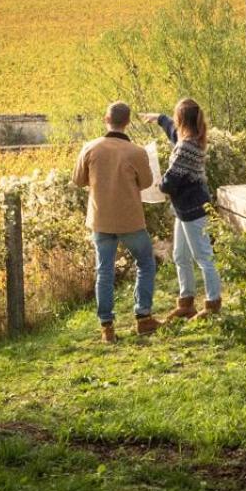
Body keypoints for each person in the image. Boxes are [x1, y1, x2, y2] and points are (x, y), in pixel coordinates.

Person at [73, 101, 157, 343]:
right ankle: (143, 317)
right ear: (127, 122)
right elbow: (146, 183)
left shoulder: (90, 148)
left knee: (104, 272)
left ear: (105, 119)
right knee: (146, 263)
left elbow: (78, 180)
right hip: (131, 219)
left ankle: (107, 327)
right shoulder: (137, 152)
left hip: (100, 219)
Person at [143, 99, 221, 321]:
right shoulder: (189, 138)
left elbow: (170, 182)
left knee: (203, 257)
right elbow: (173, 133)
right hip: (183, 209)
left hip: (193, 209)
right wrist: (159, 118)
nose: (173, 120)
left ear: (182, 118)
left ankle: (213, 304)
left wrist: (155, 184)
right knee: (180, 255)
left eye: (175, 116)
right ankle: (186, 303)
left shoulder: (187, 147)